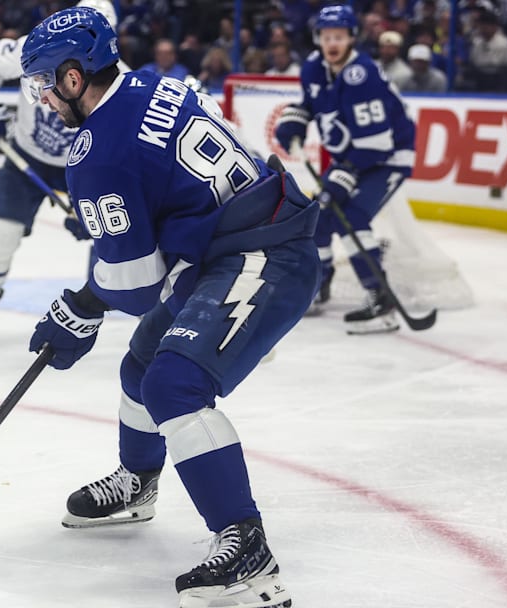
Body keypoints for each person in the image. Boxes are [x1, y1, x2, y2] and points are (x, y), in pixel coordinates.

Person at [21, 7, 319, 608]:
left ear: (75, 79)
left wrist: (80, 306)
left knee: (174, 384)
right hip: (237, 239)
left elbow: (134, 285)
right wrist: (89, 299)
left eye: (43, 85)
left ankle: (247, 546)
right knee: (142, 365)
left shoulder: (97, 153)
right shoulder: (158, 83)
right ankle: (138, 484)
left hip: (265, 254)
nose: (42, 100)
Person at [0, 0, 118, 342]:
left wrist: (97, 213)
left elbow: (116, 151)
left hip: (84, 168)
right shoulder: (38, 46)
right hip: (26, 160)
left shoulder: (116, 82)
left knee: (109, 245)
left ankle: (109, 315)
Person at [274, 4, 416, 334]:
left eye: (339, 36)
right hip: (354, 156)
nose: (332, 43)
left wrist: (347, 170)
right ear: (318, 39)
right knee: (320, 214)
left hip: (387, 157)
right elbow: (312, 103)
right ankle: (319, 286)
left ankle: (381, 300)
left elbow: (378, 142)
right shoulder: (313, 67)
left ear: (352, 38)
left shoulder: (361, 75)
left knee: (348, 215)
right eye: (326, 37)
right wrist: (296, 118)